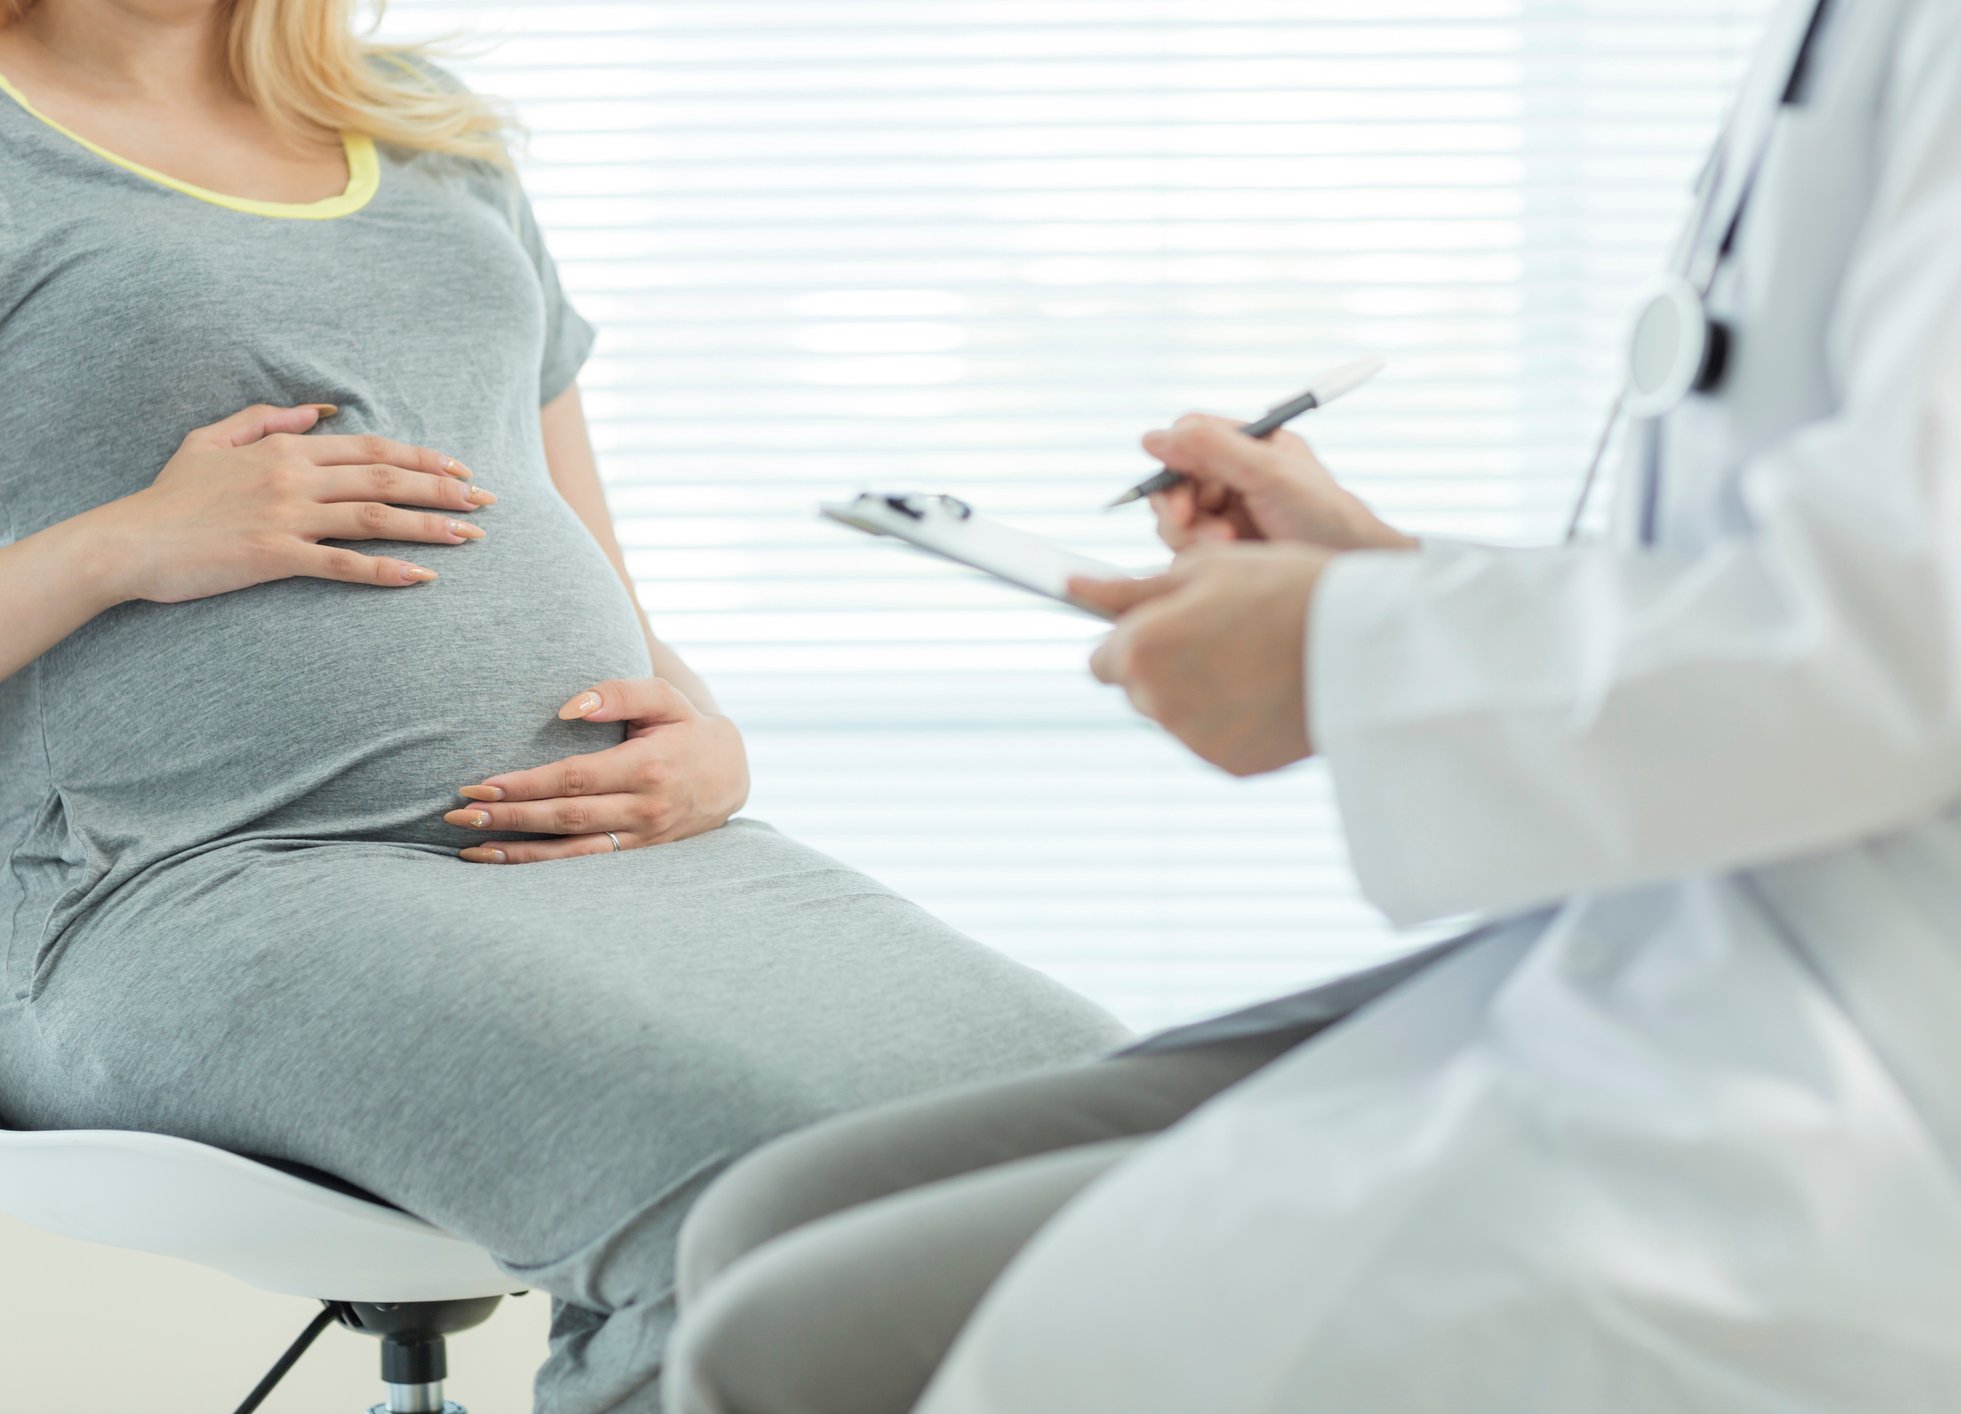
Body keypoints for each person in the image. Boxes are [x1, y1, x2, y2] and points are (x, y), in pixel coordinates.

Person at [663, 1, 1961, 1410]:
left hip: (1858, 1061)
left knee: (797, 1347)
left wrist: (1348, 646)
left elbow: (1909, 630)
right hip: (1688, 935)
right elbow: (1778, 553)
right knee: (759, 1221)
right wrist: (1377, 580)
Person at [0, 5, 1130, 1411]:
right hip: (200, 882)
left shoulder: (424, 123)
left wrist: (702, 738)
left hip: (615, 861)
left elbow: (572, 539)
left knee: (1113, 1130)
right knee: (759, 1208)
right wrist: (124, 543)